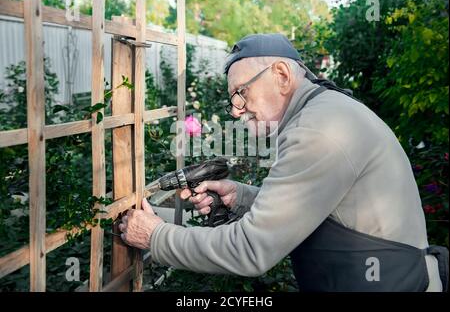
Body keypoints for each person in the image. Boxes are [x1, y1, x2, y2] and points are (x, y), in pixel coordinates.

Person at [119, 33, 447, 292]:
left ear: (281, 75)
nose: (235, 109)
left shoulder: (320, 130)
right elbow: (322, 210)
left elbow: (250, 250)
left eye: (241, 92)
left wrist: (156, 236)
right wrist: (243, 197)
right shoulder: (325, 112)